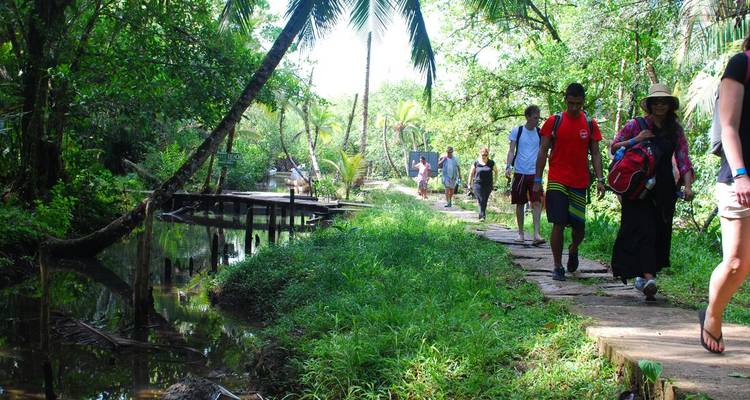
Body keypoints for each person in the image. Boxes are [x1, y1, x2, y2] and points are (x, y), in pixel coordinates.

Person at [609, 83, 695, 300]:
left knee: (658, 230)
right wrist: (636, 140)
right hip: (637, 186)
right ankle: (649, 278)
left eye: (663, 102)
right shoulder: (635, 125)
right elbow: (614, 146)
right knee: (642, 228)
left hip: (664, 187)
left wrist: (687, 186)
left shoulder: (675, 129)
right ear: (649, 105)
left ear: (669, 105)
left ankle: (645, 277)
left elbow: (683, 159)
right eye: (655, 102)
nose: (659, 105)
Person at [700, 40, 750, 354]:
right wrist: (742, 174)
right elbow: (729, 127)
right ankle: (712, 316)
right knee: (736, 263)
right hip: (739, 179)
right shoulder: (741, 64)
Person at [533, 83, 605, 281]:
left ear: (583, 102)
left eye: (578, 104)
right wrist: (537, 180)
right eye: (571, 103)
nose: (574, 107)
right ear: (565, 100)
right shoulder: (553, 121)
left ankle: (573, 249)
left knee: (579, 227)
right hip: (557, 178)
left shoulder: (590, 124)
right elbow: (542, 151)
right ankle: (557, 266)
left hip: (580, 181)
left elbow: (596, 153)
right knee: (558, 222)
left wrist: (600, 179)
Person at [505, 105, 545, 245]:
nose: (537, 121)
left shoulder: (540, 133)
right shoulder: (518, 130)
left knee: (537, 202)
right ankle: (520, 233)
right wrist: (508, 166)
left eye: (538, 118)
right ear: (527, 117)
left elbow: (543, 152)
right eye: (535, 118)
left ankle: (536, 234)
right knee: (520, 203)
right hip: (520, 172)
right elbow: (511, 150)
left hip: (535, 174)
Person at [468, 147, 498, 221]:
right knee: (481, 199)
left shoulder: (491, 163)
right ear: (480, 154)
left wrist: (495, 182)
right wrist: (469, 183)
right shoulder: (476, 163)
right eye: (483, 155)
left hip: (488, 184)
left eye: (485, 155)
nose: (484, 156)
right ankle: (482, 216)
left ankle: (481, 215)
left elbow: (496, 172)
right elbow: (471, 173)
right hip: (478, 184)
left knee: (485, 200)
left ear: (487, 155)